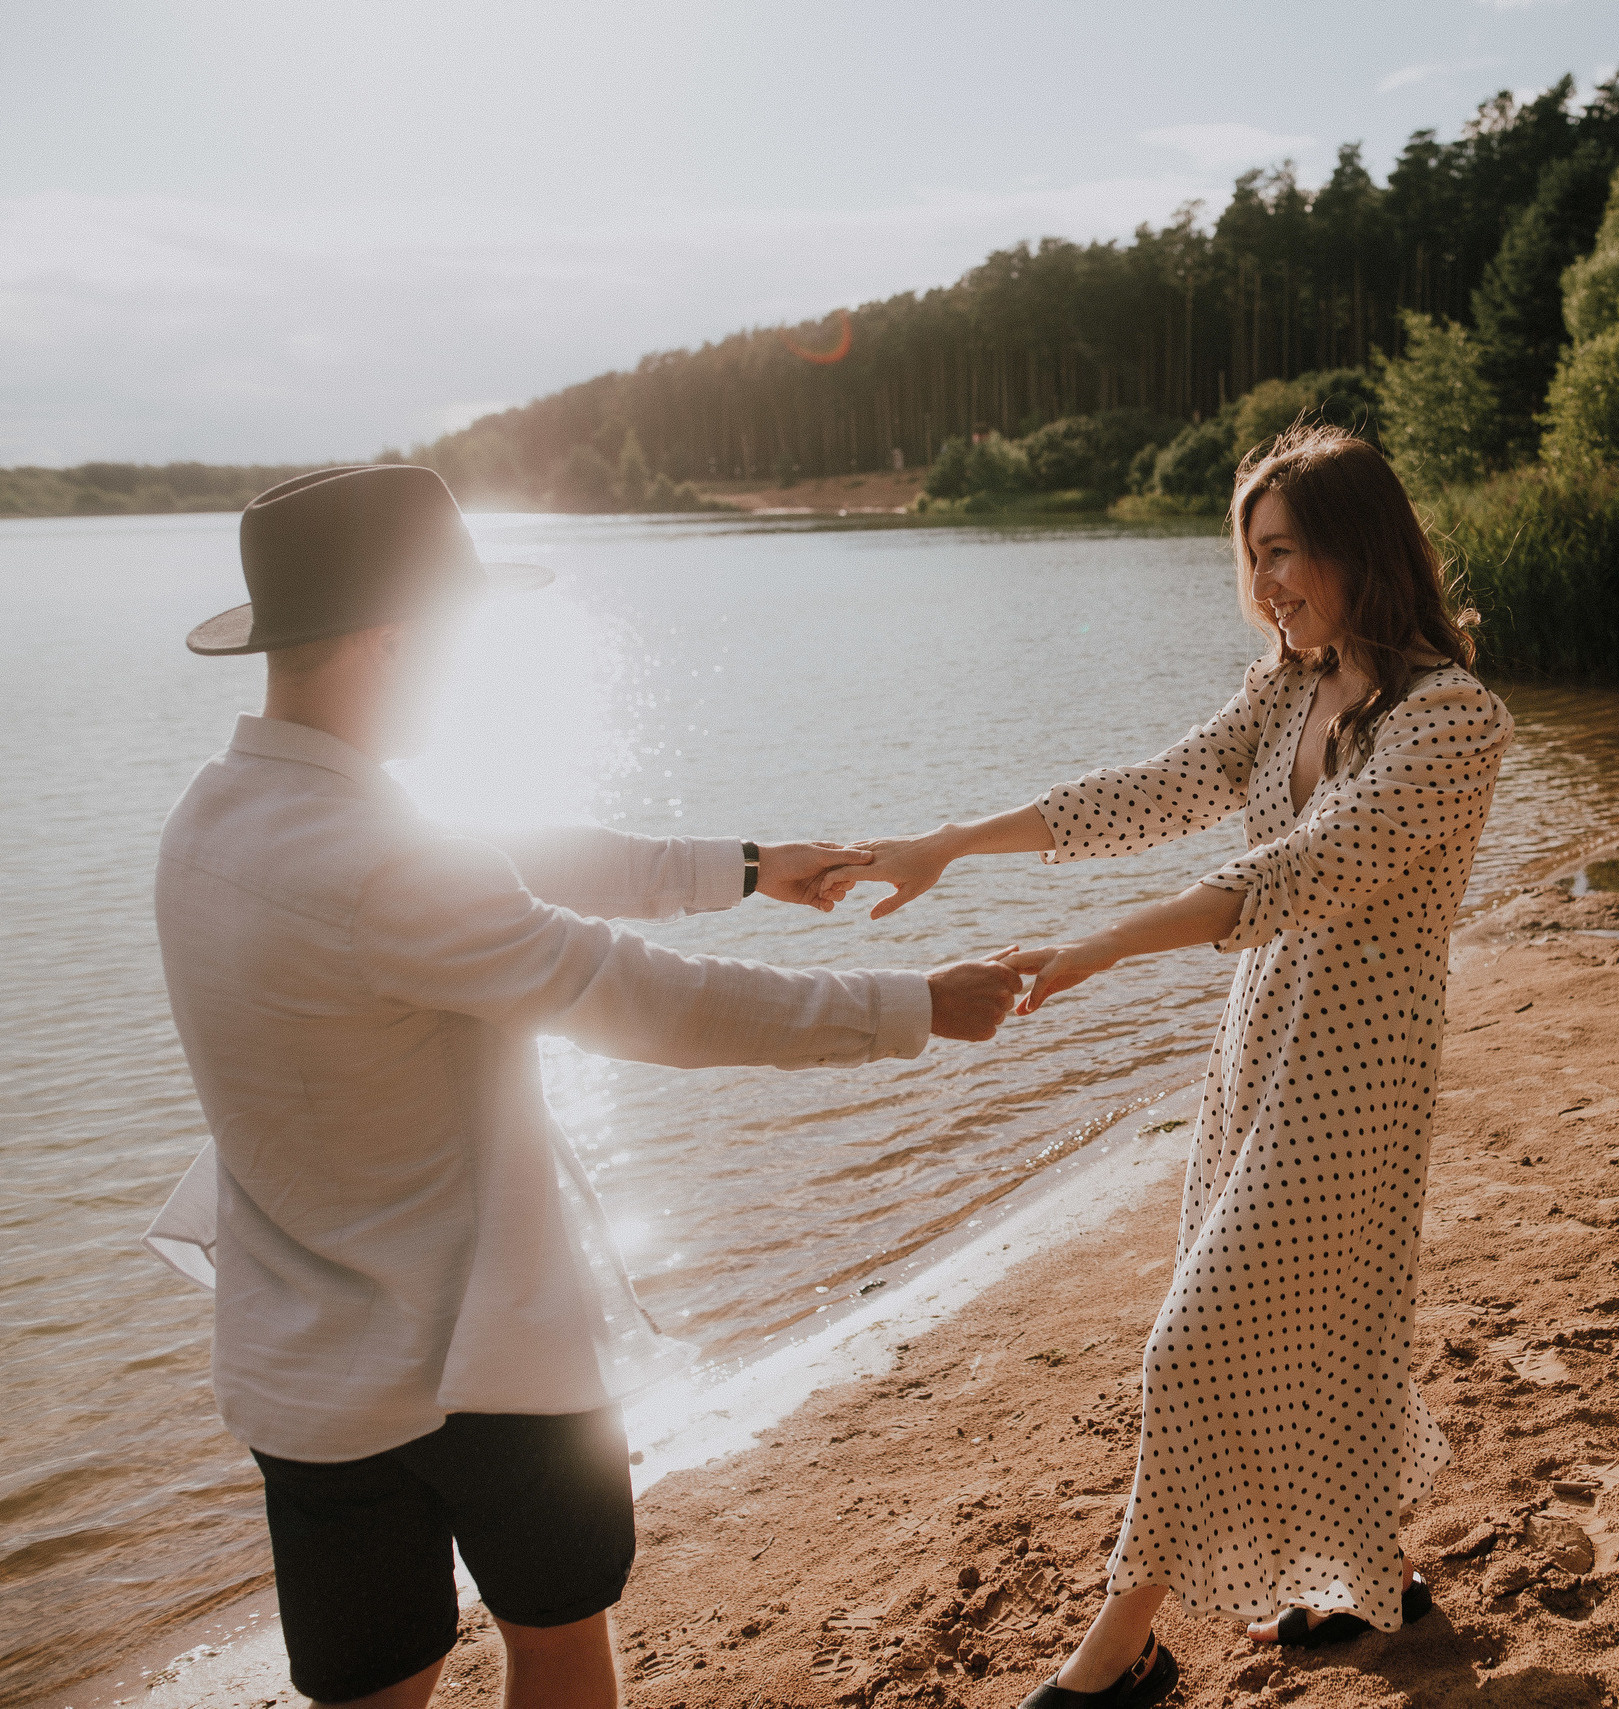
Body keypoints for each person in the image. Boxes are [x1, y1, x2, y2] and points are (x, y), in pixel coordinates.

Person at [144, 465, 1024, 1709]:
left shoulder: (212, 819)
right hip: (485, 1355)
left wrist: (751, 864)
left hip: (304, 1375)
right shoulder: (379, 864)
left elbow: (500, 854)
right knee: (556, 1639)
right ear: (395, 638)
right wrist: (913, 1004)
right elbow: (647, 999)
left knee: (374, 1685)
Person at [848, 424, 1513, 1707]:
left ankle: (1122, 1652)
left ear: (1357, 545)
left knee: (1199, 1338)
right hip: (1261, 1042)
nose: (1266, 584)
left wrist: (1099, 949)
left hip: (1359, 1067)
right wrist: (951, 840)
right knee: (1312, 1322)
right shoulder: (1293, 686)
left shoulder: (1452, 724)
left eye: (1285, 553)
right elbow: (1155, 789)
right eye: (1251, 557)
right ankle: (1367, 1575)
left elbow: (1289, 875)